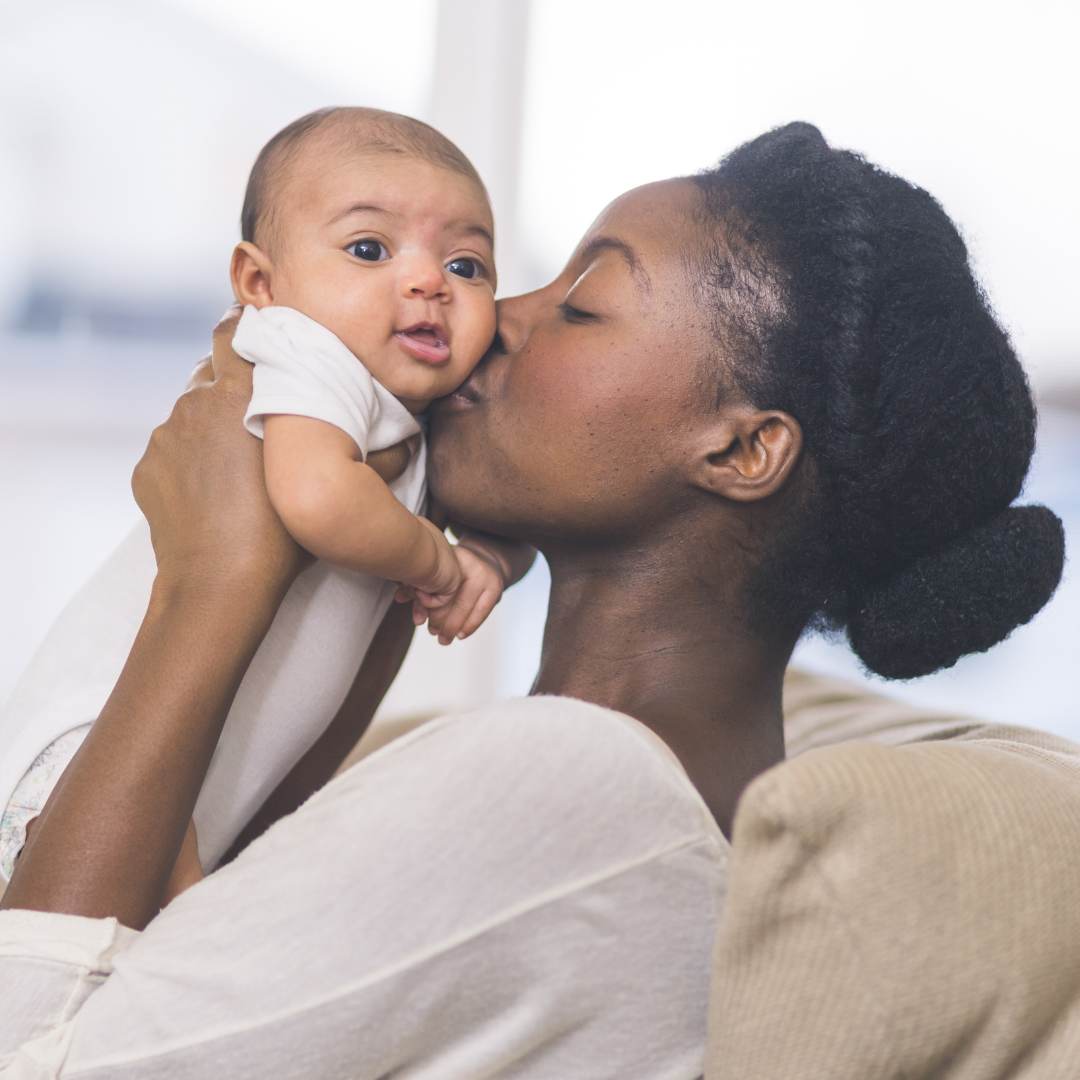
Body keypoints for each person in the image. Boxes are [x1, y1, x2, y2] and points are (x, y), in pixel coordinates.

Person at [0, 122, 1065, 1078]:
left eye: (583, 305)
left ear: (742, 449)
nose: (491, 315)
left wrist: (210, 583)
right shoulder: (623, 787)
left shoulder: (576, 785)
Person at [0, 107, 534, 898]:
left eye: (466, 266)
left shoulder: (411, 407)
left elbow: (511, 507)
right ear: (261, 284)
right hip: (88, 747)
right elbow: (317, 496)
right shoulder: (302, 352)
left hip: (203, 766)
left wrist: (493, 554)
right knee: (146, 948)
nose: (428, 282)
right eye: (367, 249)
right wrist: (441, 563)